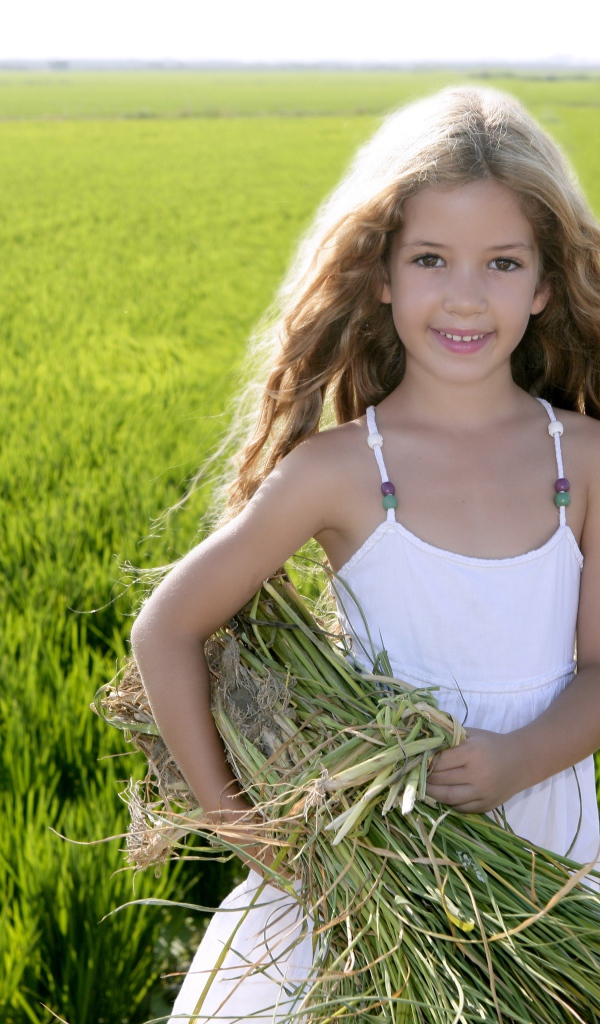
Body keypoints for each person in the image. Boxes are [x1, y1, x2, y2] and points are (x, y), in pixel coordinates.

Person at [131, 85, 600, 1022]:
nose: (465, 295)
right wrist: (252, 835)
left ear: (545, 284)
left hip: (545, 865)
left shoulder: (580, 459)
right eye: (431, 259)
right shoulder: (340, 472)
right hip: (375, 868)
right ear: (380, 274)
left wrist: (517, 759)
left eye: (502, 263)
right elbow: (167, 629)